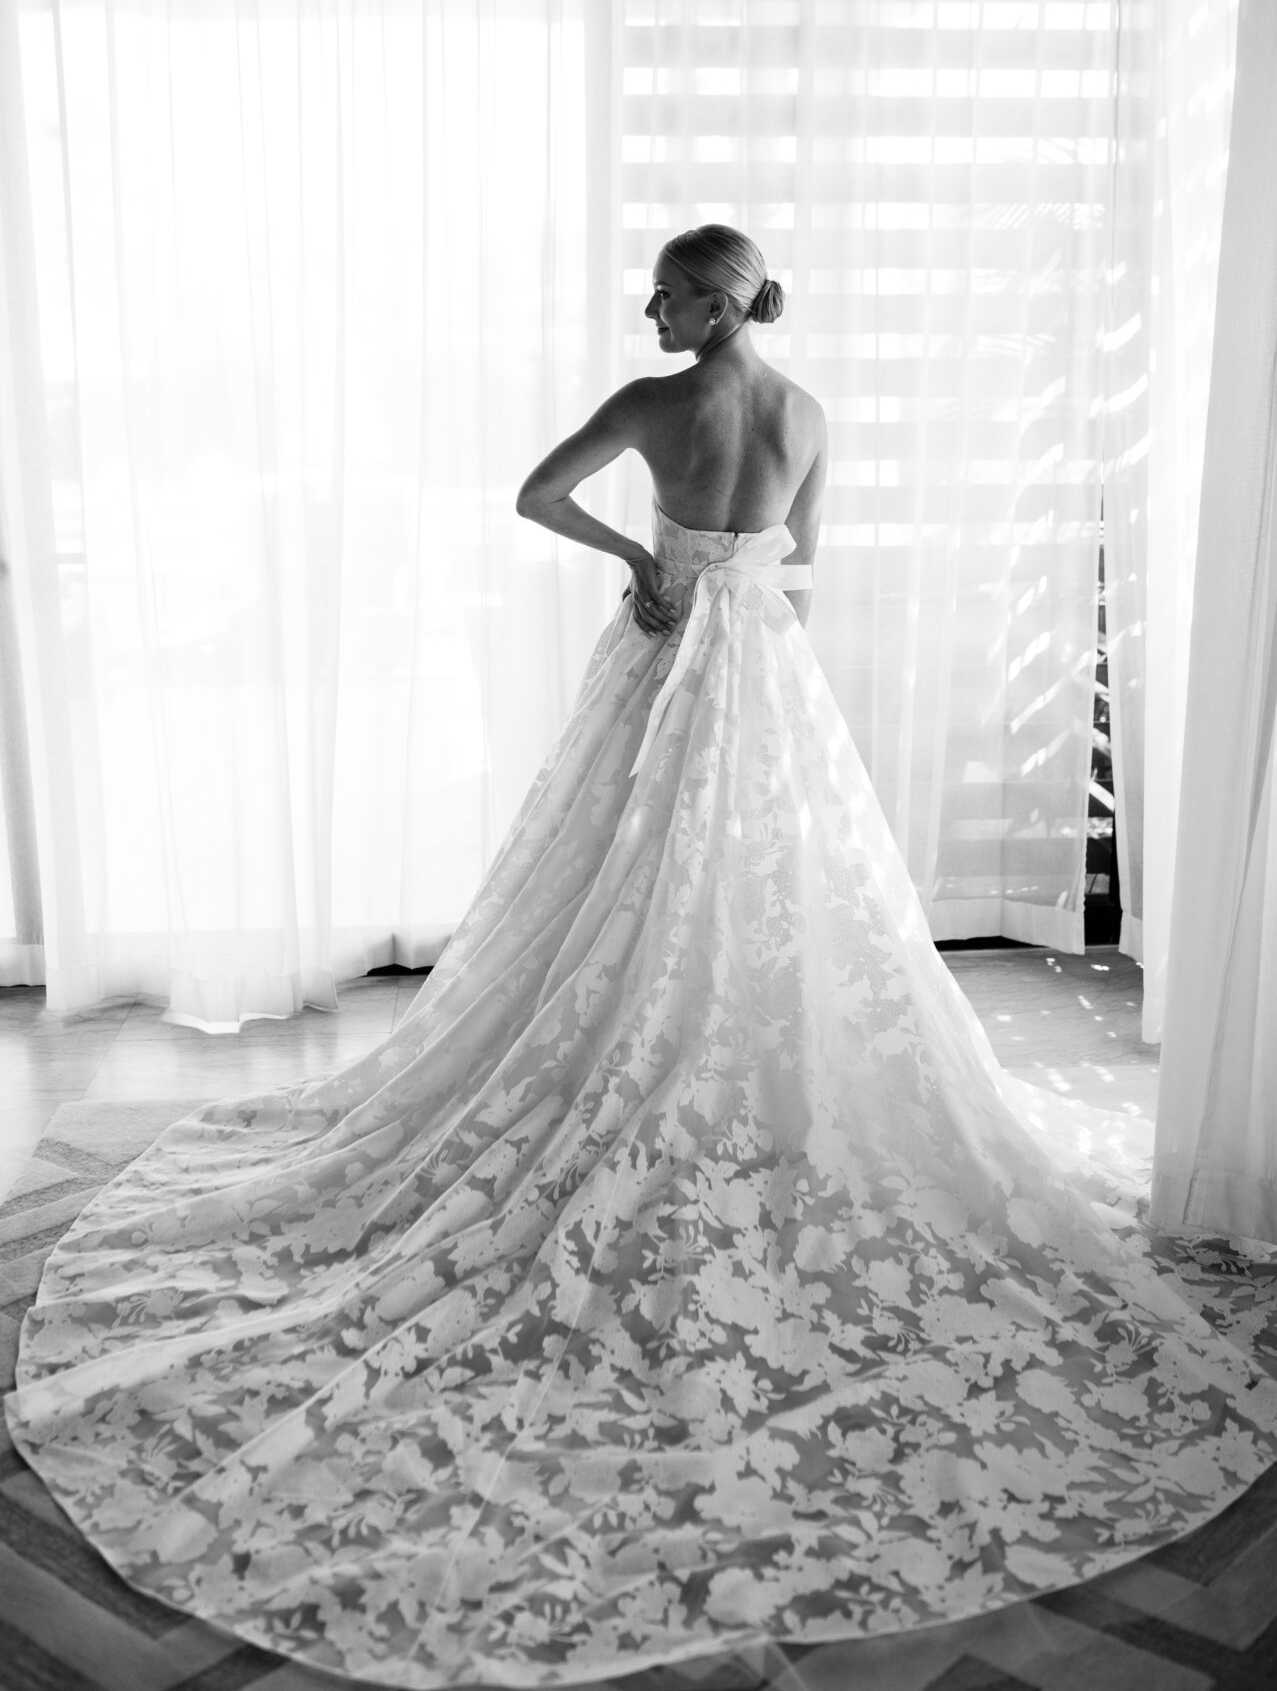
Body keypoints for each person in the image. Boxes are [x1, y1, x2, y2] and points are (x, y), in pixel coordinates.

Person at [6, 225, 1277, 1690]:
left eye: (668, 290)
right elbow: (807, 561)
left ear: (717, 298)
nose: (650, 307)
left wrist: (642, 565)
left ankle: (620, 1055)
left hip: (670, 644)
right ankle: (714, 1072)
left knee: (612, 872)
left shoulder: (651, 404)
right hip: (762, 665)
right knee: (760, 884)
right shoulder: (806, 411)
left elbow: (535, 496)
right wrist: (726, 583)